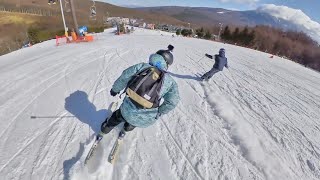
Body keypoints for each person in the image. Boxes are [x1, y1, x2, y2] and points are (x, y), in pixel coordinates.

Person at [98, 45, 180, 140]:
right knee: (136, 120)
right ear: (167, 64)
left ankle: (105, 129)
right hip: (146, 117)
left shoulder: (142, 67)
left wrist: (115, 89)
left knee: (118, 116)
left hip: (127, 109)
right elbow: (172, 102)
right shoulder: (170, 82)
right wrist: (159, 112)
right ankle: (125, 130)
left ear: (155, 56)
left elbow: (124, 77)